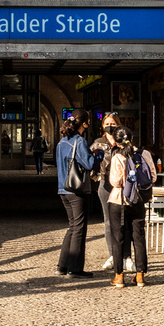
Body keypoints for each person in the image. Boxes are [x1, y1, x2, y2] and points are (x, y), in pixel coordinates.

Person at [105, 125, 156, 287]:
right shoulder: (145, 154)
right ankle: (140, 275)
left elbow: (115, 182)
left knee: (118, 238)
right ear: (132, 138)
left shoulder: (117, 157)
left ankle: (119, 277)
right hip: (138, 200)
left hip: (119, 201)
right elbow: (153, 177)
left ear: (116, 141)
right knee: (139, 236)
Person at [55, 110, 100, 277]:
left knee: (72, 227)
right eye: (88, 122)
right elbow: (89, 164)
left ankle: (62, 265)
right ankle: (75, 268)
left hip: (63, 189)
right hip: (77, 190)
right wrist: (99, 154)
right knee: (79, 228)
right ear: (85, 124)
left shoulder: (62, 142)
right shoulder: (79, 141)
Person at [90, 112, 122, 269]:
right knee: (108, 220)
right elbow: (89, 161)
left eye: (114, 124)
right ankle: (112, 255)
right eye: (108, 123)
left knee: (122, 220)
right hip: (105, 184)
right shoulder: (98, 143)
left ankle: (125, 256)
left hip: (121, 186)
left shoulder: (123, 141)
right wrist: (96, 177)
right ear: (103, 125)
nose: (110, 126)